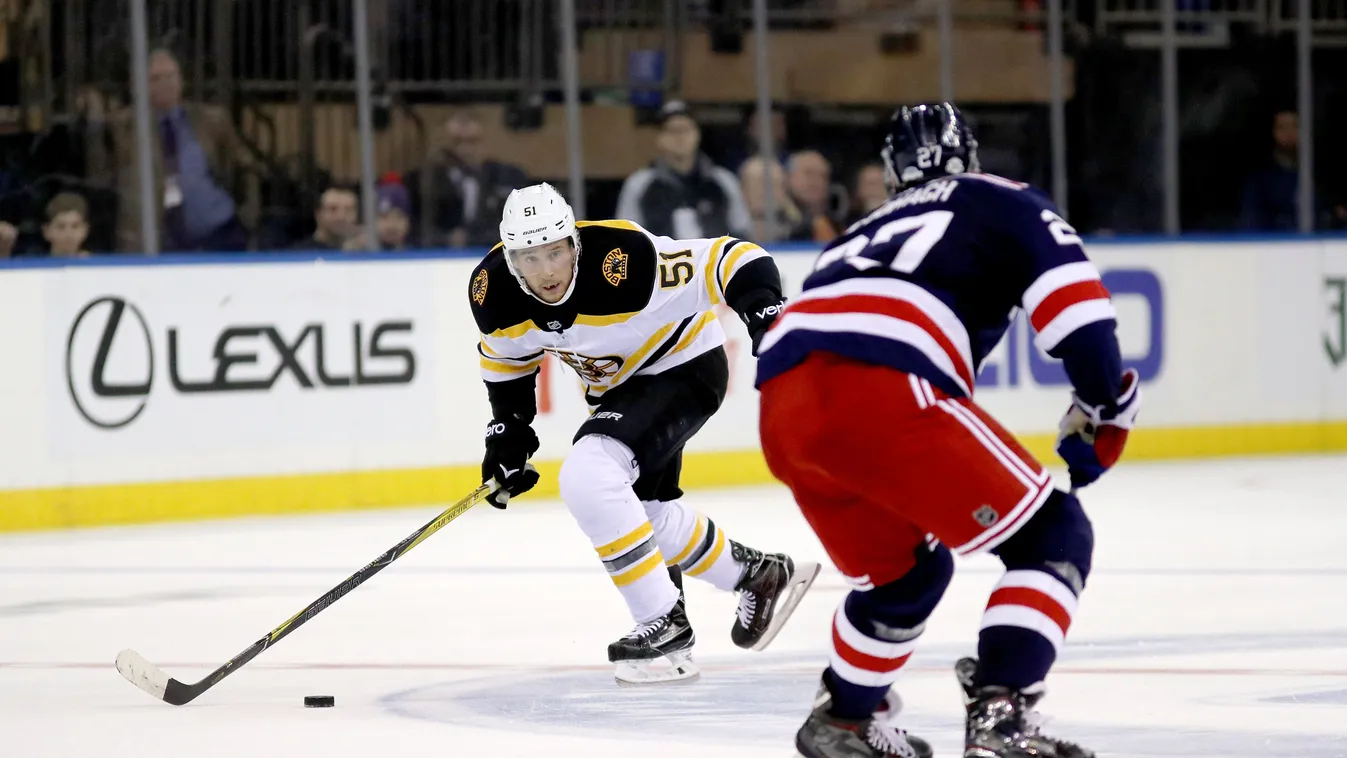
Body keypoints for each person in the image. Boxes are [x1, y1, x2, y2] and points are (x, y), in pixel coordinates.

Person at [755, 104, 1140, 758]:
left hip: (781, 404)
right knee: (1053, 535)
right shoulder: (999, 197)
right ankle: (1001, 711)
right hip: (881, 380)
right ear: (972, 155)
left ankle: (841, 718)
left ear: (891, 171)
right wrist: (1105, 402)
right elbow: (1078, 312)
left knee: (903, 578)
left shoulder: (856, 230)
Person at [467, 182, 821, 685]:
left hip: (685, 366)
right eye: (528, 257)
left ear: (574, 243)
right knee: (641, 515)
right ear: (510, 258)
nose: (545, 270)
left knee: (590, 474)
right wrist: (508, 432)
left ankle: (663, 621)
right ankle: (755, 576)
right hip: (617, 392)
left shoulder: (624, 262)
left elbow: (734, 257)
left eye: (554, 251)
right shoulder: (493, 292)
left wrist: (766, 317)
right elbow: (507, 357)